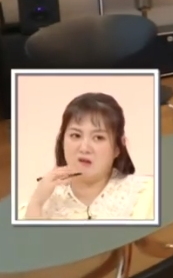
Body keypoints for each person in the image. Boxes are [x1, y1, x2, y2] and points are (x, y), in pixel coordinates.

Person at [19, 92, 155, 221]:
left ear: (118, 147)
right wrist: (36, 203)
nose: (84, 148)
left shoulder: (146, 194)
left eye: (98, 137)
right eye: (76, 135)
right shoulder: (40, 204)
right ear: (62, 141)